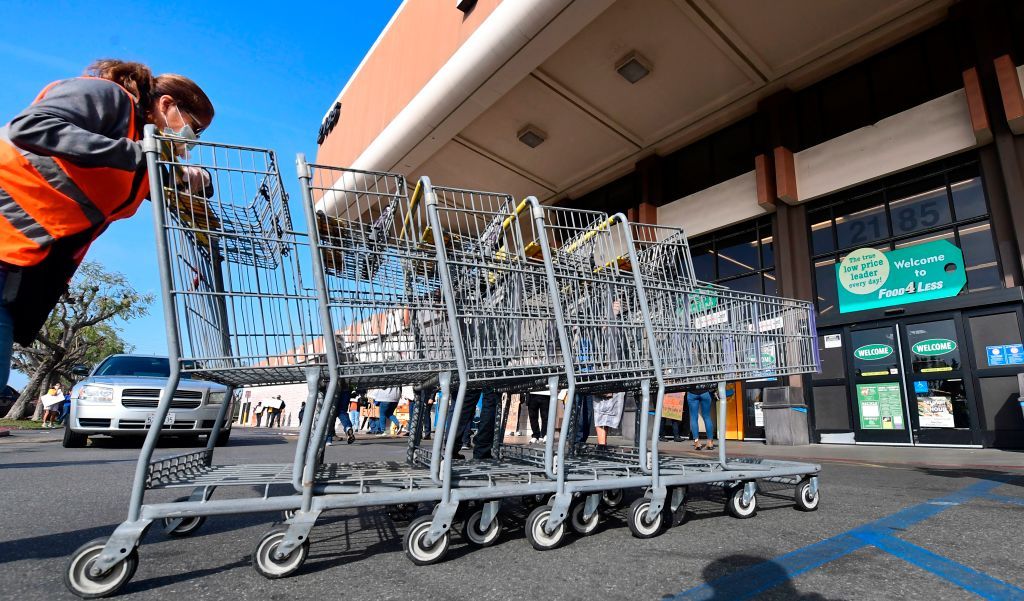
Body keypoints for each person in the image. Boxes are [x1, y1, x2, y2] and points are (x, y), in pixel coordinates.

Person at [0, 60, 214, 391]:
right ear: (167, 104)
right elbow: (28, 127)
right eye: (195, 128)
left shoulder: (138, 146)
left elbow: (153, 180)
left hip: (23, 260)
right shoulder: (107, 97)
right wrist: (136, 153)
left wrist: (192, 179)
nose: (192, 140)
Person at [686, 382, 718, 450]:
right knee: (707, 417)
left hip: (692, 392)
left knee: (694, 418)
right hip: (705, 392)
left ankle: (697, 443)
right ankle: (710, 442)